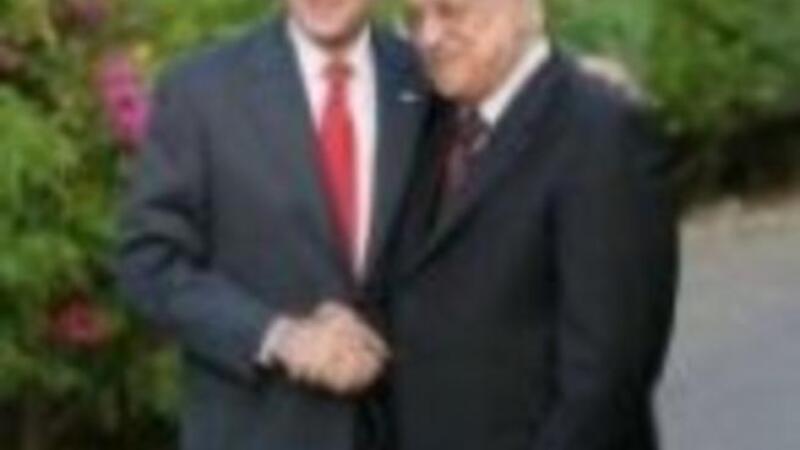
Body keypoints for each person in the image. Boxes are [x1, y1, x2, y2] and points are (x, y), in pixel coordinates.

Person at [117, 0, 431, 449]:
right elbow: (150, 262)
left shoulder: (429, 80)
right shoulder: (201, 89)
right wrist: (279, 337)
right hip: (257, 431)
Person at [386, 0, 679, 449]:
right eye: (415, 17)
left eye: (450, 11)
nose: (428, 36)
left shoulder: (602, 132)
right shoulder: (430, 123)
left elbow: (608, 377)